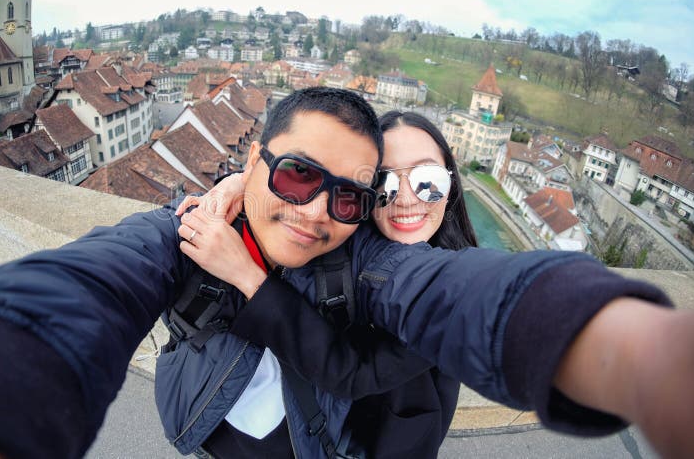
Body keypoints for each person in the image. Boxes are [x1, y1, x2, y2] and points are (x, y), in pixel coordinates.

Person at [0, 87, 694, 459]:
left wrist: (637, 354)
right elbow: (94, 279)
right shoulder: (199, 222)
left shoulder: (372, 257)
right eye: (294, 175)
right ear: (250, 162)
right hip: (212, 429)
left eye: (351, 196)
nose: (320, 210)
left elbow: (457, 295)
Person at [174, 109, 478, 456]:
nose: (407, 198)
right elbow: (297, 178)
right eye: (383, 183)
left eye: (429, 180)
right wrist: (242, 182)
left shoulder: (451, 283)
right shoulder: (341, 238)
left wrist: (247, 274)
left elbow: (349, 371)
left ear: (451, 182)